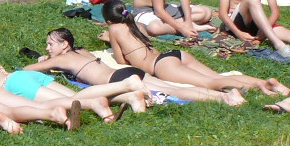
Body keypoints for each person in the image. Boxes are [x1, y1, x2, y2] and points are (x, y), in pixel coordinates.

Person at [0, 10, 144, 122]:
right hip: (18, 76)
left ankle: (118, 89)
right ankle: (128, 96)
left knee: (70, 100)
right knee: (73, 96)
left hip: (10, 84)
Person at [101, 0, 288, 99]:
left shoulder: (114, 29)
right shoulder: (137, 25)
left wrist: (110, 40)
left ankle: (261, 87)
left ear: (109, 21)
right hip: (175, 55)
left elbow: (121, 61)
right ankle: (266, 83)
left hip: (162, 66)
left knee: (210, 82)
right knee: (217, 77)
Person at [23, 27, 232, 105]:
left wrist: (44, 61)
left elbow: (26, 71)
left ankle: (223, 98)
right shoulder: (82, 51)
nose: (48, 48)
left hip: (118, 79)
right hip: (126, 72)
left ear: (64, 45)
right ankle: (223, 95)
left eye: (51, 44)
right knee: (173, 88)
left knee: (173, 92)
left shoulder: (61, 59)